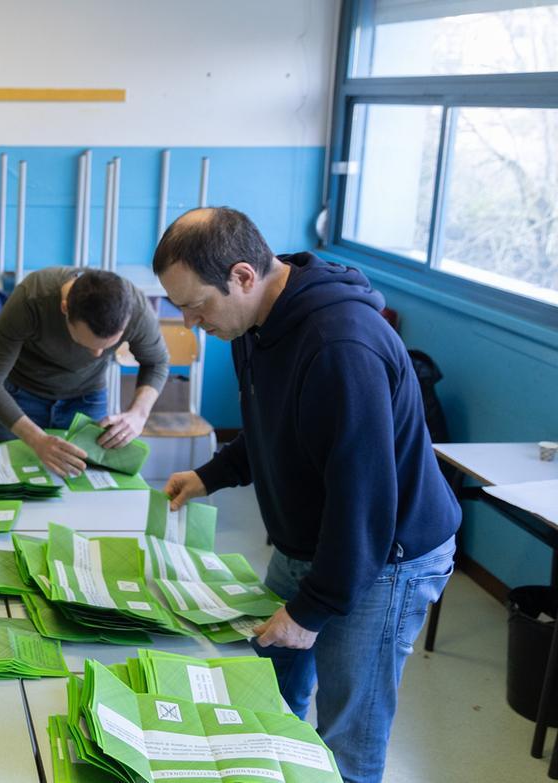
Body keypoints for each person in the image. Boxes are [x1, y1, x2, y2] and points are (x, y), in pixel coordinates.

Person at [155, 206, 459, 783]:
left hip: (384, 554)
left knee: (348, 734)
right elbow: (271, 426)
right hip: (314, 541)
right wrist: (211, 475)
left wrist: (312, 609)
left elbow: (364, 500)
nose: (190, 322)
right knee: (266, 692)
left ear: (243, 276)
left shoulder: (341, 345)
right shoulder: (250, 323)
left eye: (196, 305)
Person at [0, 266, 169, 477]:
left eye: (107, 346)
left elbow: (157, 363)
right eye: (86, 344)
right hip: (20, 396)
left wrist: (138, 413)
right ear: (65, 308)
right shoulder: (32, 298)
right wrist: (36, 439)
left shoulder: (136, 309)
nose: (97, 354)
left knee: (90, 484)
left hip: (86, 398)